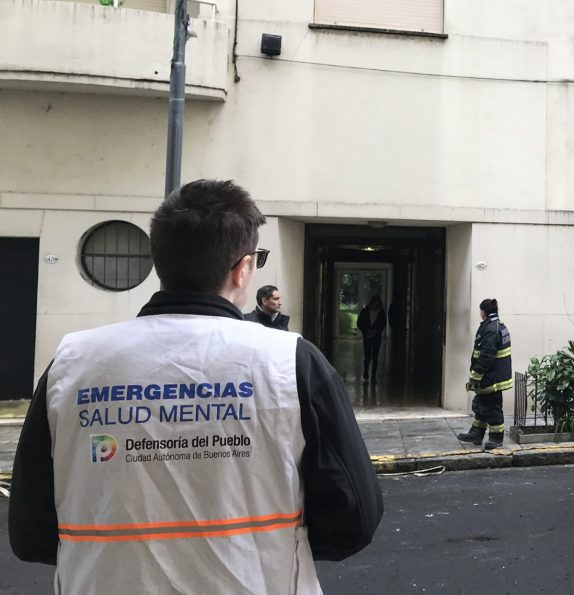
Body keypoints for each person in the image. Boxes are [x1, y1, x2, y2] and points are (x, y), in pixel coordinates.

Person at [8, 180, 382, 594]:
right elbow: (354, 519)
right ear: (242, 269)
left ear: (159, 260)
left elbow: (30, 532)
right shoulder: (291, 361)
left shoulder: (72, 363)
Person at [457, 298, 512, 450]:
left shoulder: (491, 329)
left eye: (480, 311)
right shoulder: (494, 326)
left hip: (492, 377)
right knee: (480, 406)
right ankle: (476, 433)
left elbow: (487, 355)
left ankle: (496, 438)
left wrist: (475, 375)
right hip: (492, 375)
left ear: (483, 311)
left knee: (492, 409)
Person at [356, 294, 387, 382]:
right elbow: (360, 322)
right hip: (367, 336)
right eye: (374, 303)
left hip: (377, 337)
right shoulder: (365, 311)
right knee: (367, 355)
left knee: (375, 356)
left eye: (377, 304)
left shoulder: (381, 313)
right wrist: (365, 330)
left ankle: (373, 376)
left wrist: (376, 330)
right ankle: (366, 372)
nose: (375, 305)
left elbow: (383, 323)